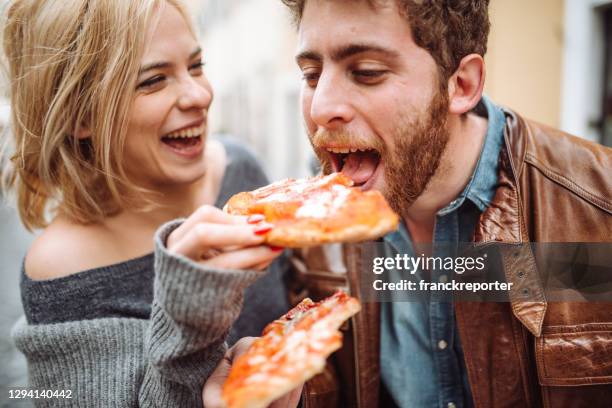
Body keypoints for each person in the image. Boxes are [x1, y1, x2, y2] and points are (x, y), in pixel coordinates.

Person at [205, 0, 612, 407]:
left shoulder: (596, 212)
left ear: (462, 85)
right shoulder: (309, 232)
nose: (321, 107)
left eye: (366, 73)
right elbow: (337, 382)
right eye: (311, 75)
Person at [2, 0, 294, 406]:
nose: (199, 95)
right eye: (154, 80)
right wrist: (186, 320)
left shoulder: (239, 171)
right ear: (79, 115)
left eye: (195, 66)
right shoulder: (61, 266)